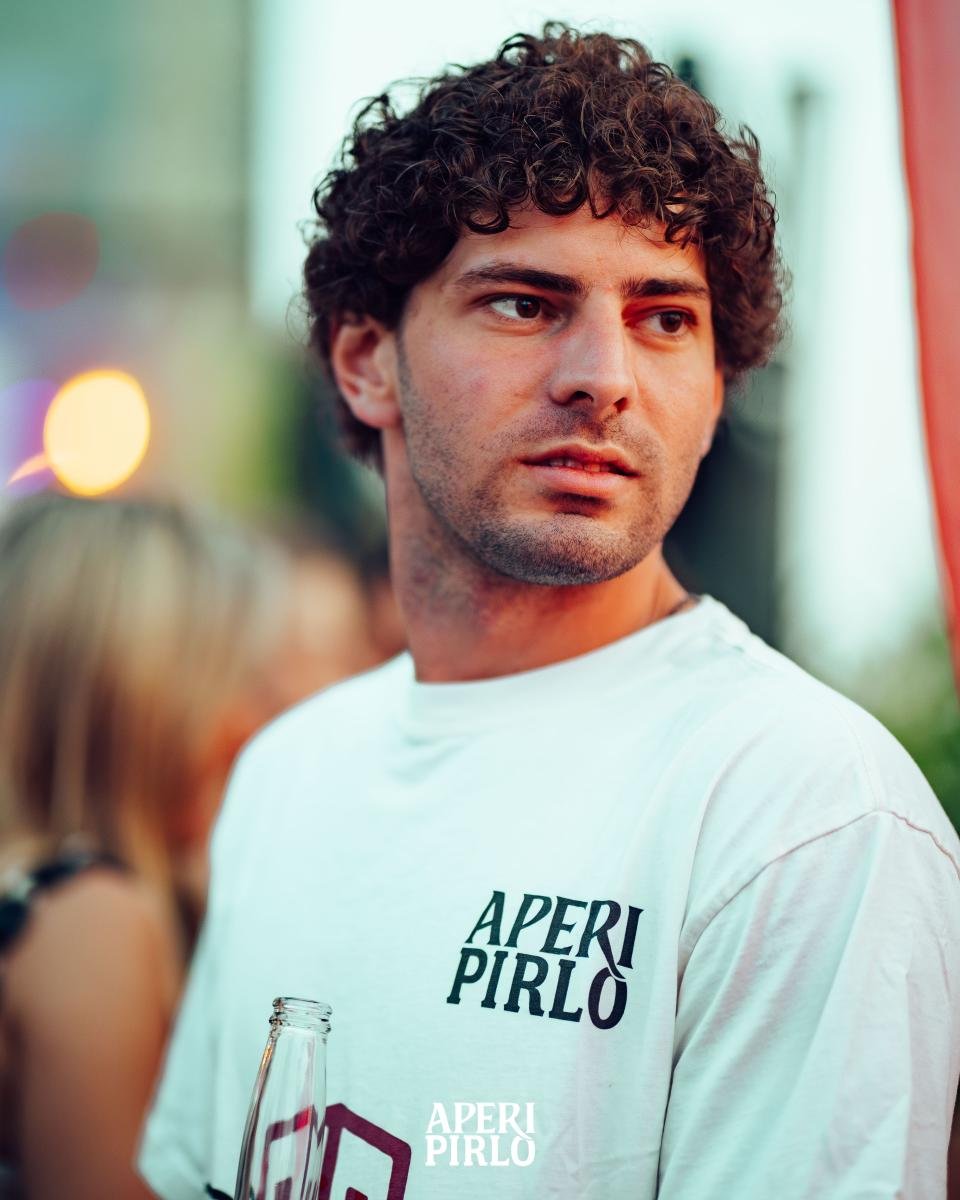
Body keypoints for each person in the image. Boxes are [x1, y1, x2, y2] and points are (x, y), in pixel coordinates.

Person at [139, 25, 960, 1200]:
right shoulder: (287, 774)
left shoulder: (803, 812)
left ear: (717, 389)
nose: (604, 377)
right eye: (527, 303)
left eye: (665, 318)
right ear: (366, 361)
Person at [0, 494, 289, 1200]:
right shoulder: (88, 918)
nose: (254, 724)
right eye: (238, 681)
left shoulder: (48, 898)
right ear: (137, 700)